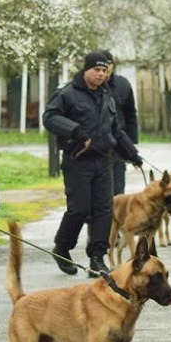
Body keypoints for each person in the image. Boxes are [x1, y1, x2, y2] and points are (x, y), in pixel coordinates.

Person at [43, 51, 142, 278]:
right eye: (96, 70)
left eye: (104, 70)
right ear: (86, 70)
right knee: (80, 209)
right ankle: (62, 248)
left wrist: (133, 154)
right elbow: (49, 117)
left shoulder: (106, 96)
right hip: (77, 160)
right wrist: (75, 131)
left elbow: (115, 129)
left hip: (103, 161)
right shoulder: (67, 94)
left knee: (104, 210)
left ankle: (97, 258)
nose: (101, 74)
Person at [102, 51, 139, 195]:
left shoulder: (123, 84)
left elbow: (131, 115)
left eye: (109, 63)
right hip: (99, 144)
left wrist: (130, 144)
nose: (107, 67)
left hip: (120, 142)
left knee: (118, 187)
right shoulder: (91, 86)